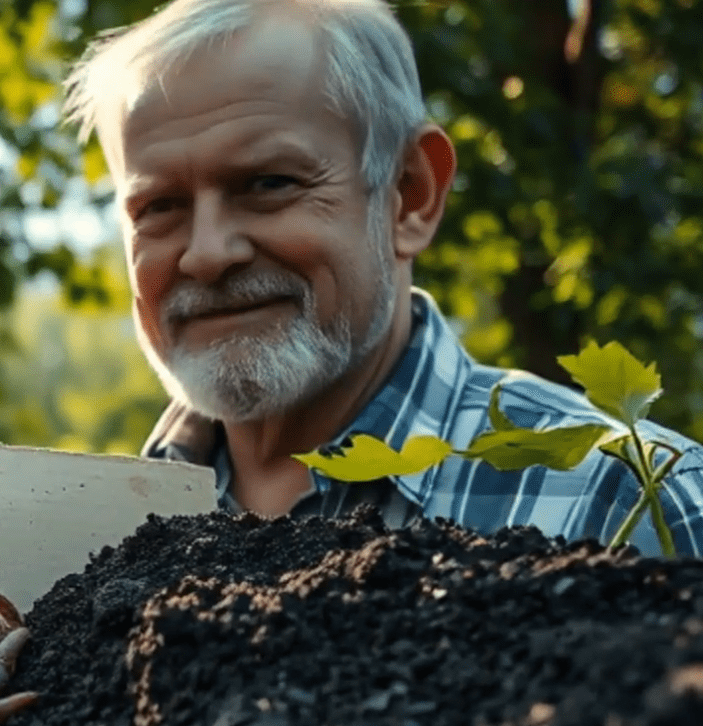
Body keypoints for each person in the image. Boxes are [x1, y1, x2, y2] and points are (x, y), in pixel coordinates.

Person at [62, 0, 703, 554]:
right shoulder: (64, 545)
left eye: (268, 184)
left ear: (410, 194)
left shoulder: (627, 506)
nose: (206, 253)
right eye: (159, 208)